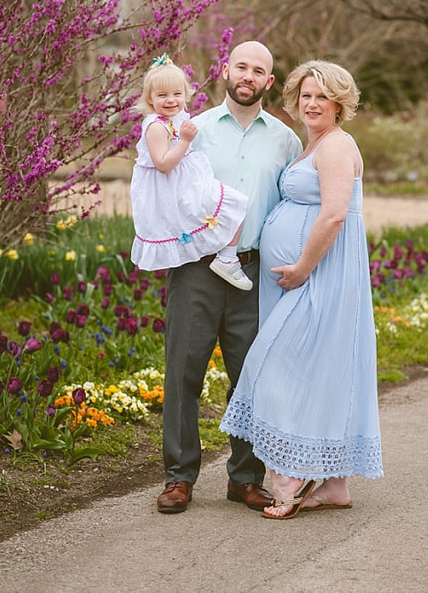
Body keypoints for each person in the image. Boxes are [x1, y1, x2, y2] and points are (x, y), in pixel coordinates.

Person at [220, 60, 383, 520]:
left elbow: (334, 214)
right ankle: (334, 486)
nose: (312, 103)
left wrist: (302, 268)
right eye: (306, 95)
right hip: (303, 279)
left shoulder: (336, 145)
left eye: (322, 97)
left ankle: (289, 482)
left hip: (318, 277)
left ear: (339, 104)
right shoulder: (312, 144)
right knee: (317, 369)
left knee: (276, 366)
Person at [156, 41, 303, 515]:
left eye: (259, 70)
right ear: (225, 70)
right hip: (195, 268)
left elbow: (292, 206)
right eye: (241, 65)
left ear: (269, 82)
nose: (248, 75)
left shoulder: (286, 140)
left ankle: (244, 478)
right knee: (183, 372)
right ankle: (179, 478)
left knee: (252, 376)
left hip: (254, 271)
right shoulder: (191, 129)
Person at [130, 55, 253, 290]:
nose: (171, 100)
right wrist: (185, 140)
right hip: (173, 189)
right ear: (150, 98)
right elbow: (163, 164)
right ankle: (227, 258)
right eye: (162, 95)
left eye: (177, 94)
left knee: (232, 206)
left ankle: (225, 256)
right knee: (235, 203)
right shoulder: (156, 126)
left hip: (183, 183)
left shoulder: (173, 119)